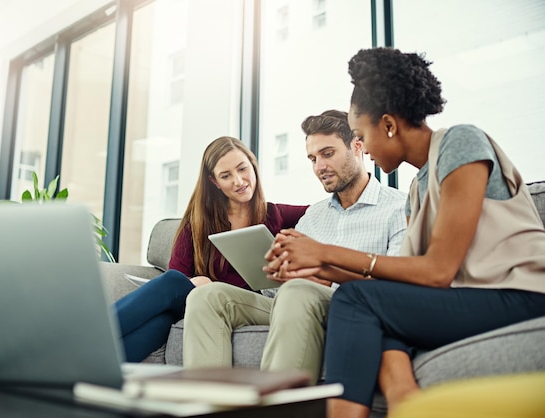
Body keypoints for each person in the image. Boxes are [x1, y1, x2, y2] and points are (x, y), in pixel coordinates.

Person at [265, 47, 545, 418]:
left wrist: (326, 253)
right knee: (366, 300)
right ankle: (405, 403)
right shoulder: (417, 190)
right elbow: (404, 282)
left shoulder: (460, 142)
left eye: (362, 134)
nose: (363, 147)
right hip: (467, 301)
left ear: (389, 125)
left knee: (354, 300)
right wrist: (309, 265)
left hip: (520, 294)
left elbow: (438, 270)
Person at [182, 110, 407, 383]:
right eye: (313, 158)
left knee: (299, 291)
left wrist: (321, 274)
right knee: (207, 297)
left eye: (327, 153)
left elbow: (397, 287)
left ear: (357, 146)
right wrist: (281, 272)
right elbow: (272, 287)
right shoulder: (313, 215)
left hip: (350, 305)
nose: (319, 166)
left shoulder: (397, 208)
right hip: (288, 301)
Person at [115, 136, 308, 362]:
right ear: (214, 182)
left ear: (253, 166)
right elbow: (178, 273)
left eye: (243, 169)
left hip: (243, 303)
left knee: (166, 309)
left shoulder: (276, 214)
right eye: (226, 176)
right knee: (167, 307)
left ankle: (84, 340)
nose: (238, 181)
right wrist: (198, 282)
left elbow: (326, 212)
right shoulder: (198, 221)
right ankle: (91, 371)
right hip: (197, 301)